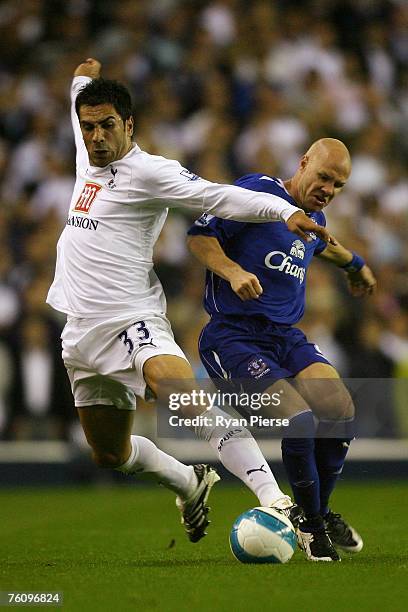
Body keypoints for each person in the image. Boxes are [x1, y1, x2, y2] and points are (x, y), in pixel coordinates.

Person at [46, 59, 331, 543]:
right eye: (88, 126)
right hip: (79, 332)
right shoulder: (87, 155)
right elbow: (82, 115)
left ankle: (276, 501)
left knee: (186, 398)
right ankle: (188, 480)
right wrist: (82, 80)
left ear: (129, 125)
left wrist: (285, 211)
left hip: (132, 319)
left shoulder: (150, 172)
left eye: (107, 126)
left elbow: (222, 198)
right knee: (109, 454)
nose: (95, 137)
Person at [187, 138, 377, 561]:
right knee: (300, 419)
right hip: (232, 336)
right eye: (324, 176)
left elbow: (324, 244)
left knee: (340, 409)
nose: (328, 188)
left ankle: (318, 514)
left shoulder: (313, 218)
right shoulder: (257, 190)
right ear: (304, 162)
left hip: (284, 337)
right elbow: (199, 237)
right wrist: (233, 270)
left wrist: (355, 265)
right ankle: (311, 527)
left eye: (338, 184)